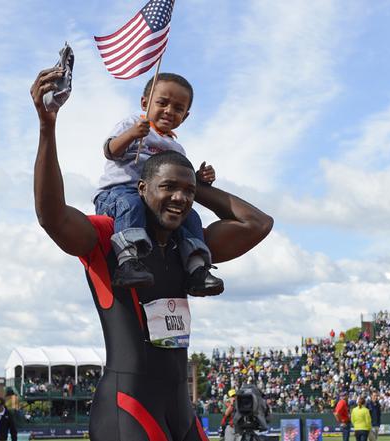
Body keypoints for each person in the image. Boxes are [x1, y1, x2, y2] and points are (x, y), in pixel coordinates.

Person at [31, 64, 272, 441]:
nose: (180, 198)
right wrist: (48, 128)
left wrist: (194, 185)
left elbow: (258, 224)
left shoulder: (189, 246)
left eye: (186, 192)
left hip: (180, 410)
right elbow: (52, 216)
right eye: (168, 189)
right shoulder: (109, 236)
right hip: (129, 408)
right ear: (142, 187)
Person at [94, 72, 222, 296]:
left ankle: (197, 268)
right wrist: (132, 134)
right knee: (131, 203)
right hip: (118, 194)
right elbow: (110, 151)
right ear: (145, 103)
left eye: (178, 108)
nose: (169, 111)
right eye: (162, 103)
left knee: (190, 216)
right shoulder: (133, 123)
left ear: (186, 115)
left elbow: (181, 179)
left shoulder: (175, 148)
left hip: (153, 202)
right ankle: (128, 261)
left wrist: (200, 178)